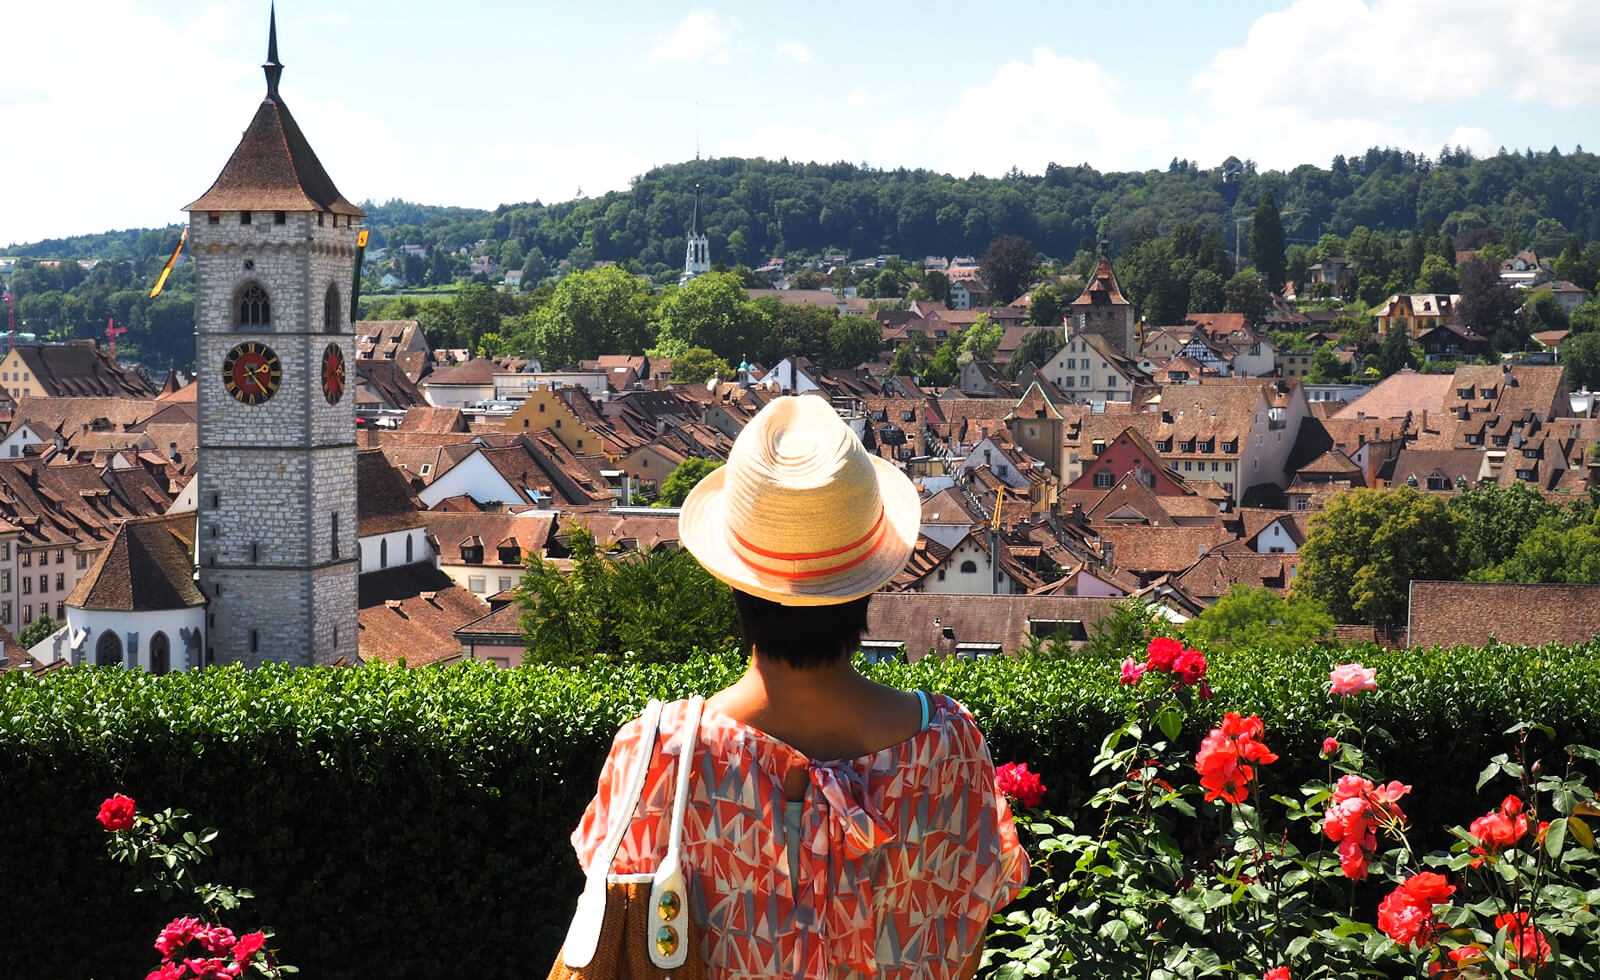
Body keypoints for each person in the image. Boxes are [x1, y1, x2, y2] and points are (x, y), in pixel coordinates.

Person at [571, 396, 1027, 979]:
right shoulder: (949, 747)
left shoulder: (655, 756)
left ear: (734, 581)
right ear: (866, 584)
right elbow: (964, 951)